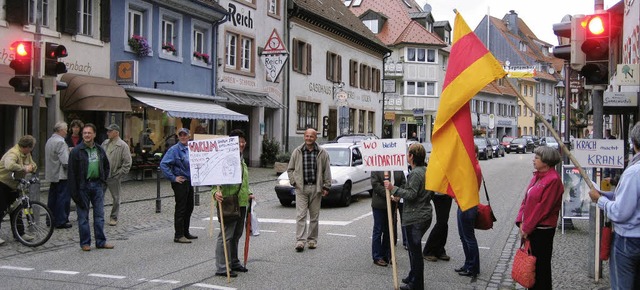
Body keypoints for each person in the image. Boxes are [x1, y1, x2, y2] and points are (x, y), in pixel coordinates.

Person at [589, 122, 640, 290]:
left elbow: (620, 212)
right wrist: (609, 196)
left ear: (634, 143)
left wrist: (600, 200)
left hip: (629, 239)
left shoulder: (634, 172)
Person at [384, 143, 433, 290]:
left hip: (416, 217)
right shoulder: (424, 170)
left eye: (408, 153)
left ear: (411, 156)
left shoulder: (416, 173)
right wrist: (399, 196)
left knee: (415, 252)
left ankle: (416, 284)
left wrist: (394, 189)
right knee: (413, 251)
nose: (406, 156)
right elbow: (417, 192)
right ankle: (413, 276)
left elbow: (412, 194)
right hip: (422, 214)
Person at [515, 146, 564, 289]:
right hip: (531, 228)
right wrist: (520, 221)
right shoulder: (536, 176)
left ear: (546, 162)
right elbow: (526, 200)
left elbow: (543, 209)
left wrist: (527, 228)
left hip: (542, 230)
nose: (533, 160)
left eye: (537, 158)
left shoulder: (553, 180)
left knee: (541, 268)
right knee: (532, 267)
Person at [212, 129, 253, 277]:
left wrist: (249, 193)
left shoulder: (241, 159)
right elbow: (213, 182)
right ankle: (222, 267)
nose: (241, 144)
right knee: (225, 236)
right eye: (238, 141)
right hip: (228, 201)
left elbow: (244, 180)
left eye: (242, 141)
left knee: (236, 235)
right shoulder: (224, 158)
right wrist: (215, 193)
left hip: (241, 202)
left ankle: (234, 262)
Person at [68, 123, 114, 251]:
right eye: (85, 133)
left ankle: (100, 241)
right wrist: (74, 193)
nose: (87, 135)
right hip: (83, 187)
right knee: (83, 217)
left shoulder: (99, 150)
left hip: (97, 185)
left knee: (99, 215)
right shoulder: (77, 151)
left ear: (94, 134)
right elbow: (71, 173)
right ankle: (85, 243)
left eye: (89, 133)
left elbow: (106, 165)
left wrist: (103, 180)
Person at [287, 128, 331, 252]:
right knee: (301, 215)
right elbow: (290, 169)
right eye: (307, 136)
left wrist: (326, 186)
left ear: (316, 137)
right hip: (301, 188)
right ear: (304, 137)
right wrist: (293, 181)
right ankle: (300, 241)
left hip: (316, 188)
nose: (309, 138)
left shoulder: (322, 153)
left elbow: (326, 171)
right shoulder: (297, 151)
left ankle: (312, 240)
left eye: (311, 136)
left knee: (314, 216)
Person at [160, 128, 197, 244]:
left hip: (190, 181)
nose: (183, 137)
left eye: (185, 135)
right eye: (180, 135)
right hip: (180, 182)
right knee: (181, 208)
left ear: (189, 135)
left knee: (189, 206)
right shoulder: (174, 150)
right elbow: (163, 164)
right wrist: (173, 178)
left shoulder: (192, 147)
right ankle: (179, 235)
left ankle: (186, 232)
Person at [0, 136, 37, 246]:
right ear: (27, 147)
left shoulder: (26, 154)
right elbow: (9, 164)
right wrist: (24, 168)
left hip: (14, 185)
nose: (31, 150)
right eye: (31, 148)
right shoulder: (13, 153)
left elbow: (33, 165)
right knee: (1, 209)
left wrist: (31, 167)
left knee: (17, 210)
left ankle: (20, 234)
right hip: (2, 183)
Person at [370, 170, 406, 267]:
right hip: (380, 204)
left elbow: (403, 182)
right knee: (378, 229)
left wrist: (398, 194)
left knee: (389, 229)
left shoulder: (397, 167)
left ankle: (387, 254)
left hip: (393, 203)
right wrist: (389, 194)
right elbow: (375, 184)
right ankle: (377, 256)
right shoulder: (377, 167)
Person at [101, 124, 132, 226]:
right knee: (99, 197)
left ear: (116, 133)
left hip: (114, 176)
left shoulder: (122, 145)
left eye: (110, 131)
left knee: (116, 198)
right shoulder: (105, 143)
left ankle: (114, 217)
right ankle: (99, 216)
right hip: (103, 175)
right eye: (108, 131)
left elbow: (127, 163)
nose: (108, 133)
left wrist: (119, 174)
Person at [45, 122, 72, 229]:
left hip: (52, 174)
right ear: (60, 130)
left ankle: (50, 219)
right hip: (61, 175)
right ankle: (61, 220)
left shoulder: (50, 140)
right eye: (65, 130)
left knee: (52, 198)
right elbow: (65, 161)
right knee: (63, 198)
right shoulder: (61, 142)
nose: (66, 132)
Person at [423, 192, 452, 262]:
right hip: (439, 193)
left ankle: (440, 250)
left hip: (447, 193)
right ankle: (428, 251)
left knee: (444, 222)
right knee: (441, 222)